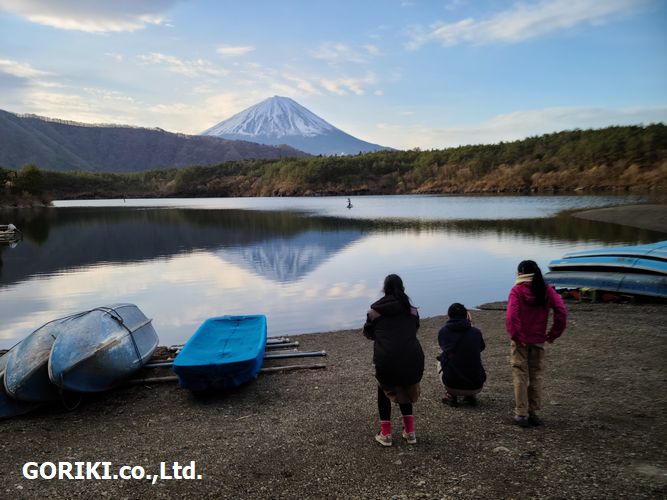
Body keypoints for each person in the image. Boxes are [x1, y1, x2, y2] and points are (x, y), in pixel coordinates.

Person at [363, 274, 424, 446]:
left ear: (385, 289)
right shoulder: (412, 311)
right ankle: (410, 432)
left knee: (383, 388)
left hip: (386, 359)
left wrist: (383, 337)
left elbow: (368, 333)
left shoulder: (374, 312)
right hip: (413, 359)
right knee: (405, 386)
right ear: (402, 288)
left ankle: (386, 434)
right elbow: (414, 329)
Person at [506, 260, 567, 427]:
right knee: (536, 375)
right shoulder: (546, 289)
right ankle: (533, 412)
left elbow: (511, 316)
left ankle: (521, 414)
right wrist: (553, 334)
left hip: (521, 341)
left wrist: (517, 336)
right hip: (538, 339)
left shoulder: (517, 290)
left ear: (520, 273)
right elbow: (561, 311)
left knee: (520, 374)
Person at [437, 303, 486, 407]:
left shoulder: (443, 331)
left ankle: (451, 396)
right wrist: (470, 325)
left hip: (452, 386)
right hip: (476, 386)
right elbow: (481, 347)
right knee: (470, 355)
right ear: (466, 316)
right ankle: (470, 396)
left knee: (441, 359)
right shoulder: (476, 332)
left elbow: (445, 350)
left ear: (449, 316)